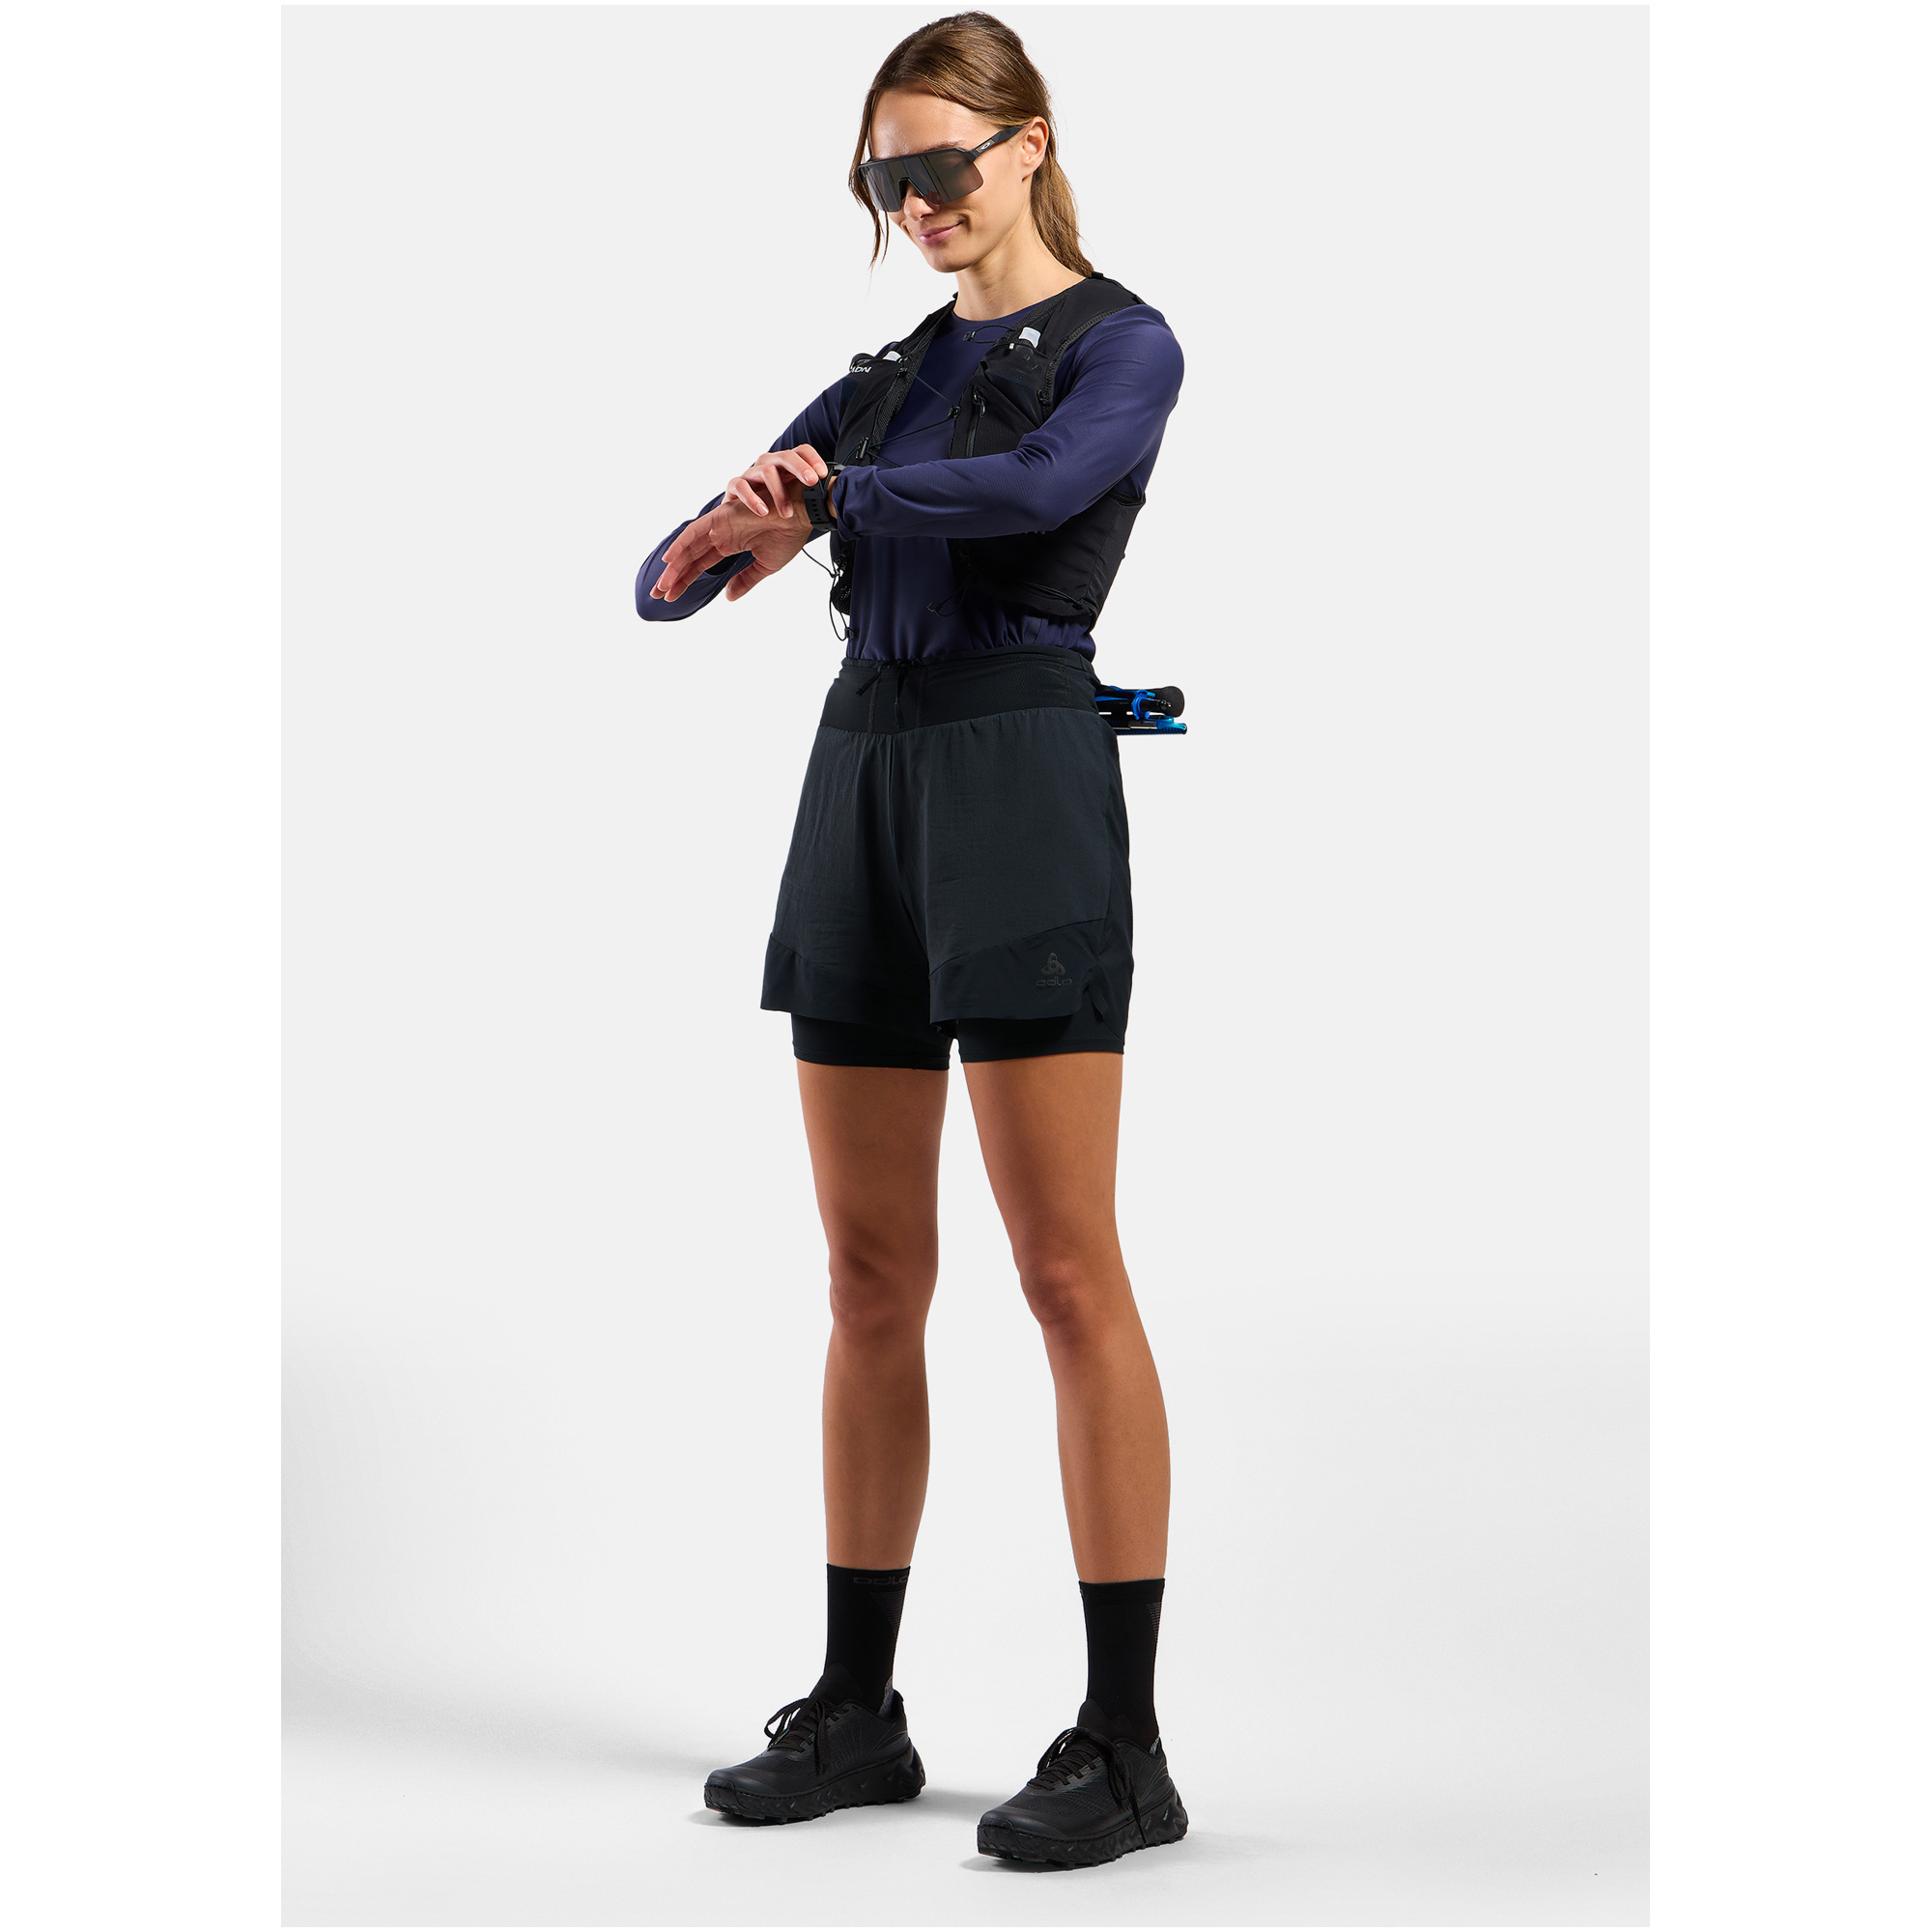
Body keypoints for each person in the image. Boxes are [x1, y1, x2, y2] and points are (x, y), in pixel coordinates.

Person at [635, 12, 1186, 1868]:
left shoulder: (1121, 343)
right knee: (869, 1274)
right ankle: (859, 1709)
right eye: (884, 178)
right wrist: (725, 526)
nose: (915, 201)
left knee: (1065, 1269)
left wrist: (830, 497)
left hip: (1022, 771)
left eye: (941, 163)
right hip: (860, 775)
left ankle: (1126, 1744)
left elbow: (1037, 491)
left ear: (1029, 145)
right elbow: (668, 583)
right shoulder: (876, 381)